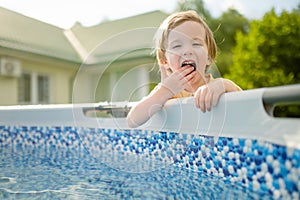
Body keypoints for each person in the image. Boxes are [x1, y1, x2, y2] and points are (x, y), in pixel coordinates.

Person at [127, 10, 242, 128]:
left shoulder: (218, 87)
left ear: (209, 57)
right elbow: (132, 120)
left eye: (196, 44)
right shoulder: (166, 92)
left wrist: (225, 85)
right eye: (177, 46)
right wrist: (164, 91)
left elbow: (248, 109)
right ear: (164, 61)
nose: (187, 51)